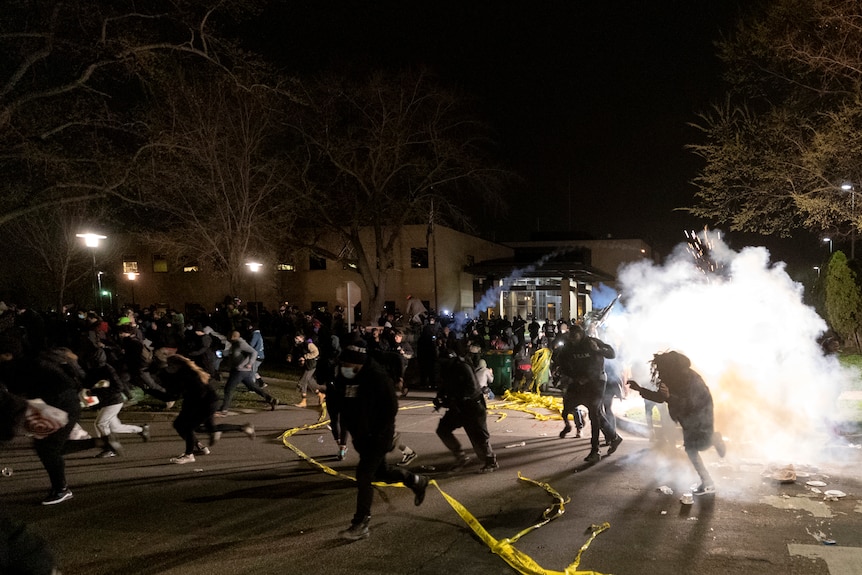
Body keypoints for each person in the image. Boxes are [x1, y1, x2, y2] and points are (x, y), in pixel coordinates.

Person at [333, 338, 430, 540]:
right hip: (361, 437)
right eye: (343, 363)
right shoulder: (345, 376)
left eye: (348, 364)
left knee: (364, 476)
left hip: (378, 436)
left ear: (360, 362)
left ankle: (361, 523)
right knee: (382, 473)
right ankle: (416, 481)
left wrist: (377, 433)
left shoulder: (377, 377)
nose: (345, 367)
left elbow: (390, 408)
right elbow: (341, 404)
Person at [627, 350, 726, 495]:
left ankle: (708, 482)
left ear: (670, 367)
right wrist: (640, 389)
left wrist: (670, 397)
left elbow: (691, 404)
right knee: (696, 447)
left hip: (701, 415)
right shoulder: (671, 378)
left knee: (693, 449)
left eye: (661, 369)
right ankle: (712, 446)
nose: (659, 373)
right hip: (687, 417)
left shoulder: (691, 380)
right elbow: (661, 398)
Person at [160, 354, 254, 464]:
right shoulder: (185, 372)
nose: (168, 368)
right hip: (206, 403)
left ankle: (189, 454)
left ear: (177, 365)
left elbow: (198, 393)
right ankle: (242, 428)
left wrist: (196, 410)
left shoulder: (189, 374)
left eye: (170, 365)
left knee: (189, 427)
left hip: (206, 404)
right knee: (186, 425)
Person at [556, 323, 621, 462]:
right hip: (579, 381)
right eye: (571, 337)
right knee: (568, 405)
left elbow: (612, 353)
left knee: (594, 413)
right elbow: (561, 362)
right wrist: (572, 376)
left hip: (596, 381)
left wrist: (598, 350)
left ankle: (595, 450)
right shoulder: (569, 347)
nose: (573, 339)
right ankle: (614, 437)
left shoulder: (592, 342)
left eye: (575, 336)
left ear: (581, 334)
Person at [433, 352, 498, 473]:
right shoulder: (447, 369)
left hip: (473, 406)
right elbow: (444, 386)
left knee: (478, 436)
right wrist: (439, 398)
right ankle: (460, 457)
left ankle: (490, 462)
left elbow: (472, 389)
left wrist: (454, 398)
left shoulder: (462, 367)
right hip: (458, 407)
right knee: (443, 430)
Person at [216, 331, 278, 415]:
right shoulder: (234, 344)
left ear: (233, 336)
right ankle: (270, 399)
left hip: (239, 370)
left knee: (228, 389)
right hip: (242, 371)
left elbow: (254, 352)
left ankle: (224, 409)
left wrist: (250, 363)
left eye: (229, 336)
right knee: (253, 387)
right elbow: (233, 354)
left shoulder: (241, 343)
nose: (227, 337)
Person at [290, 332, 323, 408]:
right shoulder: (299, 346)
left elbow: (316, 352)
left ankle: (304, 401)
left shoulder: (308, 344)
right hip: (307, 365)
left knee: (303, 381)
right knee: (310, 382)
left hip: (311, 365)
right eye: (295, 338)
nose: (296, 340)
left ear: (302, 338)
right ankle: (320, 395)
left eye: (297, 338)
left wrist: (305, 357)